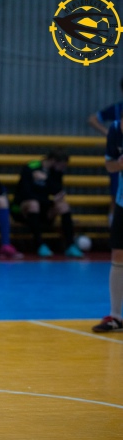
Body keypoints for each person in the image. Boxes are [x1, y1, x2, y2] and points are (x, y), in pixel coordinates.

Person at [11, 149, 83, 258]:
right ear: (53, 161)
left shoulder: (56, 172)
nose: (63, 168)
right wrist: (49, 201)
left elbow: (58, 191)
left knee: (63, 206)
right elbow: (25, 193)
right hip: (24, 210)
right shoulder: (31, 167)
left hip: (45, 208)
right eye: (62, 165)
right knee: (34, 204)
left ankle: (70, 245)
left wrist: (47, 179)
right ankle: (39, 244)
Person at [92, 118, 123, 332]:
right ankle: (116, 316)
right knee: (118, 254)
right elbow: (109, 165)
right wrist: (119, 164)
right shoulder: (115, 129)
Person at [87, 78, 123, 226]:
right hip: (119, 160)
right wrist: (108, 133)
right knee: (116, 196)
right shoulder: (117, 109)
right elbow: (92, 119)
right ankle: (114, 228)